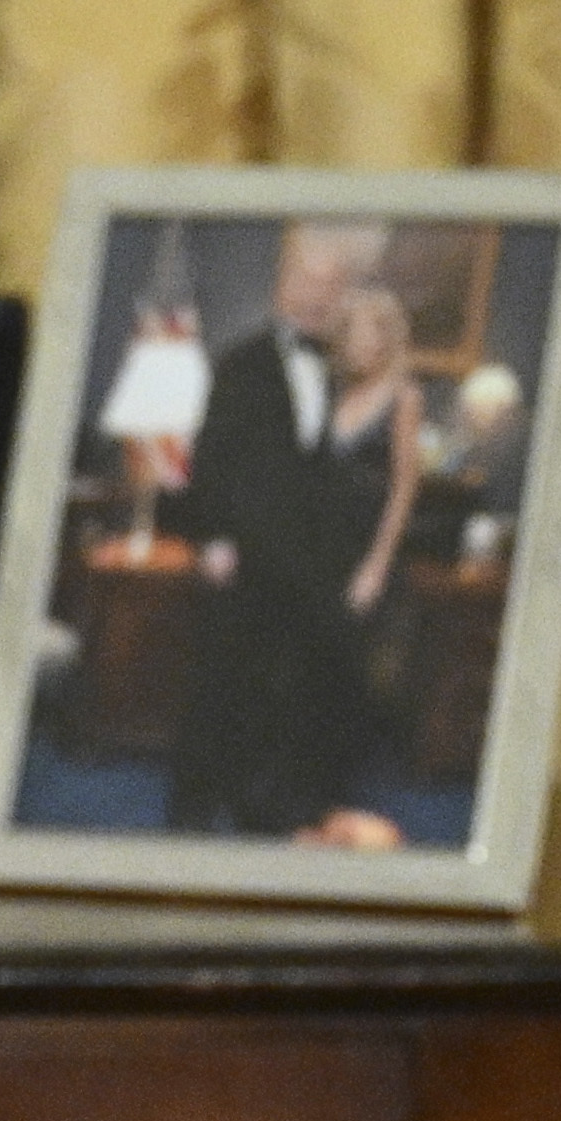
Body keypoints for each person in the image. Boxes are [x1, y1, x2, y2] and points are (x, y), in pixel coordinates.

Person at [167, 220, 390, 832]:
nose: (316, 296)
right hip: (248, 554)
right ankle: (191, 805)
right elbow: (209, 459)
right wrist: (212, 539)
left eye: (331, 284)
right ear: (282, 285)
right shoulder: (241, 365)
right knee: (224, 685)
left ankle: (277, 806)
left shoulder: (352, 371)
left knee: (304, 691)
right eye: (306, 280)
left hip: (315, 561)